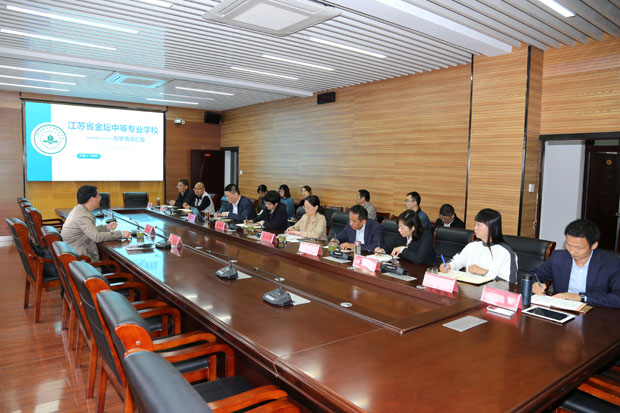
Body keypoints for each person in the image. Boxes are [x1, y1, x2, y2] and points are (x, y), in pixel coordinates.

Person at [531, 220, 620, 308]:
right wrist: (534, 284)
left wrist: (581, 297)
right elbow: (533, 276)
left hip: (594, 311)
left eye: (578, 248)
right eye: (568, 245)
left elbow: (618, 298)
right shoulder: (558, 257)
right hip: (561, 309)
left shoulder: (612, 264)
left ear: (594, 245)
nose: (572, 251)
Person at [440, 208, 518, 283]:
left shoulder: (506, 253)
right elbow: (457, 261)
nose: (475, 228)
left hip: (491, 291)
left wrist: (484, 272)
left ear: (491, 227)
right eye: (475, 224)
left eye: (478, 225)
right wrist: (449, 265)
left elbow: (510, 283)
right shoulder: (472, 246)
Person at [61, 185, 131, 261]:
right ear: (92, 199)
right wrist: (121, 234)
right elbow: (97, 237)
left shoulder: (79, 209)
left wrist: (107, 227)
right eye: (98, 197)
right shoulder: (82, 215)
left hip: (73, 254)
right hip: (79, 259)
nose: (100, 199)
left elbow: (89, 230)